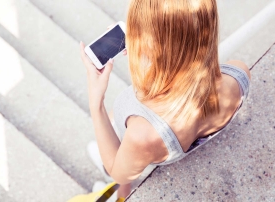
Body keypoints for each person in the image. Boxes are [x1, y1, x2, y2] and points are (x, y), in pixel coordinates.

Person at [79, 0, 251, 200]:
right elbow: (185, 67)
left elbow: (119, 171)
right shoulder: (239, 74)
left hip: (140, 150)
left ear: (157, 46)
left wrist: (96, 101)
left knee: (118, 173)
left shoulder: (143, 136)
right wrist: (146, 52)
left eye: (138, 30)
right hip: (154, 142)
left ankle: (119, 196)